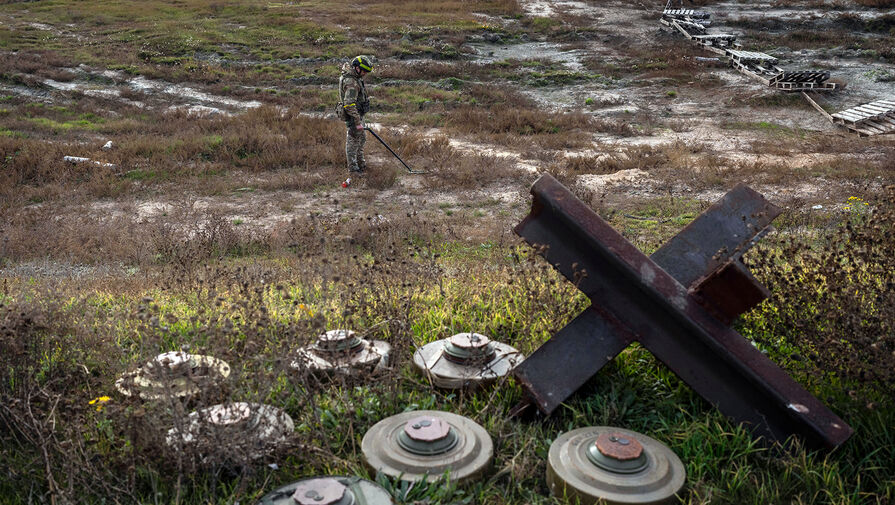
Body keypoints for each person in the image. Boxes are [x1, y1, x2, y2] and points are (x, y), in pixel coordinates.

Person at [339, 55, 373, 173]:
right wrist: (357, 121)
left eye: (366, 72)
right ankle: (353, 169)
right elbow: (349, 104)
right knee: (353, 141)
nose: (364, 73)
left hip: (358, 114)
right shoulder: (351, 82)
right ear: (356, 68)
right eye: (363, 71)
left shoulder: (356, 77)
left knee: (362, 138)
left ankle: (361, 164)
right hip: (353, 116)